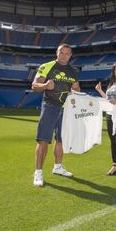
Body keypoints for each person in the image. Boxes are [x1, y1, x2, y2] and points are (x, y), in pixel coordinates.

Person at [31, 43, 80, 187]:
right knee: (43, 141)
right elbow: (34, 86)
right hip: (50, 106)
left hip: (66, 109)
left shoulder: (73, 71)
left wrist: (79, 97)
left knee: (61, 140)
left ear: (70, 55)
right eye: (61, 52)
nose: (64, 56)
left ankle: (58, 167)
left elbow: (76, 89)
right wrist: (45, 86)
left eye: (67, 53)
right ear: (57, 53)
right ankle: (38, 172)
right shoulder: (46, 66)